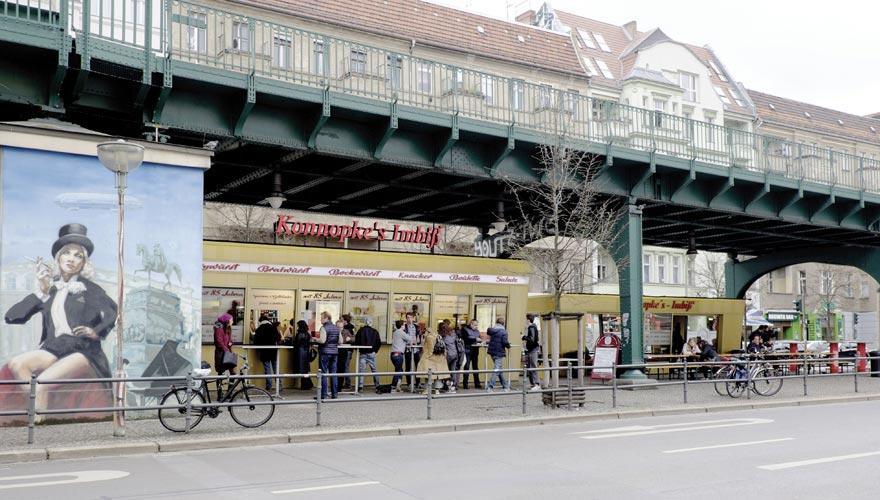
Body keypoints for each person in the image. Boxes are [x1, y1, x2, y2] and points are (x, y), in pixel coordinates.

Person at [3, 224, 118, 413]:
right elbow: (12, 317)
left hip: (83, 349)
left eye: (78, 255)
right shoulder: (50, 288)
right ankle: (39, 411)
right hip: (55, 347)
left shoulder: (89, 289)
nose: (71, 259)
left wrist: (96, 332)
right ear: (58, 258)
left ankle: (39, 423)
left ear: (84, 263)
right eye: (67, 253)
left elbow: (113, 311)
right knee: (16, 364)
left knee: (40, 385)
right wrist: (41, 291)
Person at [416, 328, 450, 394]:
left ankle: (427, 389)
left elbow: (430, 348)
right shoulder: (438, 336)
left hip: (431, 359)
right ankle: (437, 390)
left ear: (427, 331)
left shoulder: (429, 337)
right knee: (438, 375)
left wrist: (428, 355)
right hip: (440, 357)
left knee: (428, 374)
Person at [316, 311, 340, 399]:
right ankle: (335, 394)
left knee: (323, 373)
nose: (320, 320)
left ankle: (323, 394)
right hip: (334, 353)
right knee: (333, 373)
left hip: (325, 352)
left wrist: (315, 339)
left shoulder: (324, 328)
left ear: (326, 318)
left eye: (321, 318)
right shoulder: (336, 328)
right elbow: (340, 341)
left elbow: (322, 340)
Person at [354, 316, 382, 391]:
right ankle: (377, 385)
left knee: (362, 370)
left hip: (363, 353)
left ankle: (360, 386)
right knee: (374, 369)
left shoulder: (361, 331)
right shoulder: (375, 331)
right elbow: (378, 343)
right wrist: (375, 351)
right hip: (371, 353)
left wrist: (358, 349)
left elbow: (356, 341)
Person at [253, 315, 281, 390]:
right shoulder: (273, 327)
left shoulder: (259, 329)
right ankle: (279, 385)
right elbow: (278, 338)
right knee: (276, 368)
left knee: (267, 368)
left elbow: (256, 341)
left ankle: (269, 385)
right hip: (273, 350)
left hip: (264, 351)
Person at [486, 318, 511, 391]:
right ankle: (490, 387)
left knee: (499, 369)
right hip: (499, 352)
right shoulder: (504, 332)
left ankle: (505, 386)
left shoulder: (492, 330)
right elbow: (505, 342)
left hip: (492, 351)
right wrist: (508, 346)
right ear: (503, 324)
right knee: (496, 370)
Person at [390, 320, 413, 392]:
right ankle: (393, 387)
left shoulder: (395, 332)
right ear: (402, 326)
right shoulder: (402, 333)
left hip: (393, 354)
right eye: (404, 325)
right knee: (398, 371)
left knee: (400, 370)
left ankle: (398, 386)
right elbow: (410, 338)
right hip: (399, 354)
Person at [402, 312, 423, 387]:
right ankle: (409, 383)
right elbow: (403, 337)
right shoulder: (404, 327)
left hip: (416, 349)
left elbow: (419, 337)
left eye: (411, 317)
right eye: (408, 317)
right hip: (408, 348)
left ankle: (418, 382)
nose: (409, 319)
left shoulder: (417, 327)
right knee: (408, 366)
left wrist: (417, 341)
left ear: (413, 318)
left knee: (418, 365)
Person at [460, 319, 482, 389]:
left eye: (477, 325)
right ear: (471, 324)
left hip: (475, 351)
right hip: (468, 350)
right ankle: (465, 384)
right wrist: (475, 340)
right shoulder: (465, 330)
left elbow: (479, 339)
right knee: (467, 367)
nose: (476, 326)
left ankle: (477, 383)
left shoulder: (477, 331)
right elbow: (465, 339)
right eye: (475, 325)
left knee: (475, 368)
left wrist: (480, 342)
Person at [523, 314, 542, 391]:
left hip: (533, 349)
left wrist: (523, 337)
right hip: (533, 349)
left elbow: (532, 339)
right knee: (530, 366)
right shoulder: (534, 327)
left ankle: (537, 384)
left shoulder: (531, 327)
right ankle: (533, 384)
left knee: (533, 366)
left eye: (526, 319)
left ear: (528, 320)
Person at [293, 320, 313, 390]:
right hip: (305, 352)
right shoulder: (307, 333)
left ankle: (305, 384)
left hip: (300, 352)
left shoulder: (300, 334)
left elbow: (297, 344)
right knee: (305, 369)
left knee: (302, 369)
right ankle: (307, 384)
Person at [338, 314, 356, 389]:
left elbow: (352, 338)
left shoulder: (346, 329)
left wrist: (348, 339)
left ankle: (347, 383)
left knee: (345, 367)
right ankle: (346, 383)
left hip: (346, 350)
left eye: (341, 319)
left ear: (345, 321)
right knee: (345, 366)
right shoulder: (350, 328)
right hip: (348, 350)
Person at [441, 324, 459, 393]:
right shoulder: (453, 335)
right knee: (453, 371)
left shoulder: (444, 338)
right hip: (455, 354)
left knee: (446, 371)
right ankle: (453, 386)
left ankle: (447, 385)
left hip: (448, 355)